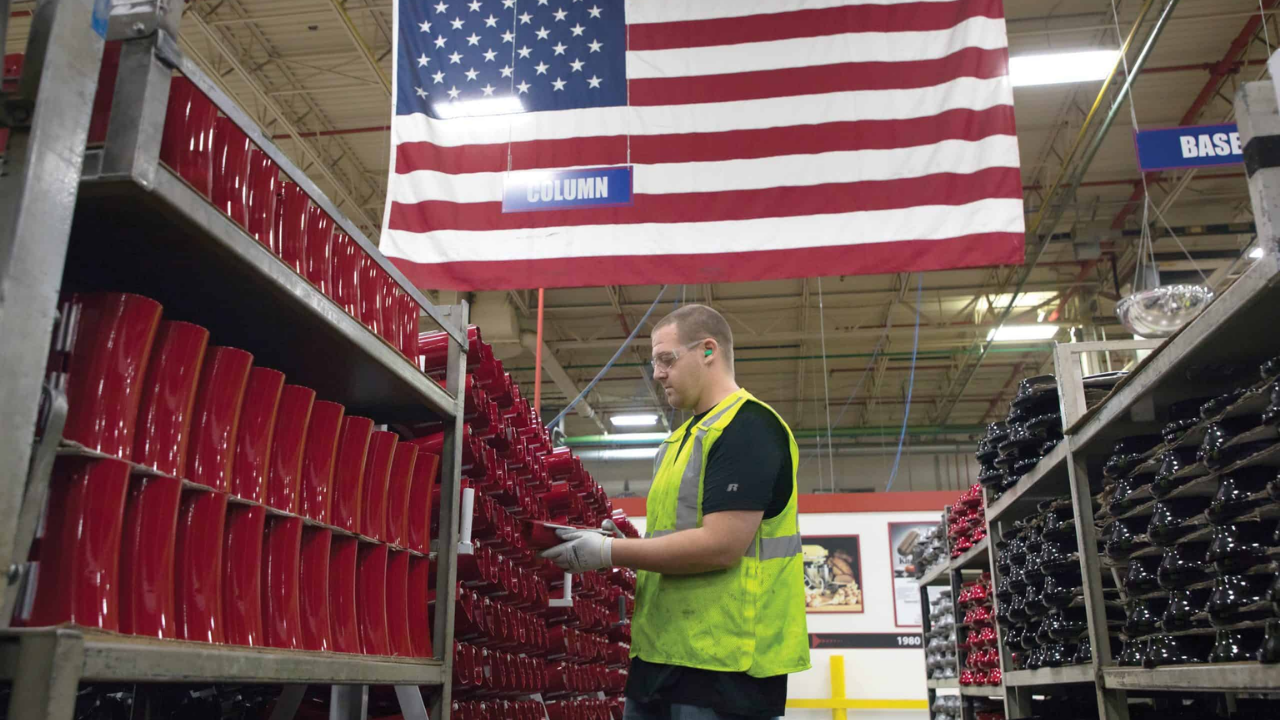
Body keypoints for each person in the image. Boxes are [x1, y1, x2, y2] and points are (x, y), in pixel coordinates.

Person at [542, 304, 810, 720]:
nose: (658, 373)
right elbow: (677, 537)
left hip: (727, 669)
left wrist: (610, 552)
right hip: (661, 657)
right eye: (655, 362)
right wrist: (624, 544)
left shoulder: (748, 427)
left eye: (666, 359)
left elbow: (722, 546)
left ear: (708, 351)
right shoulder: (679, 441)